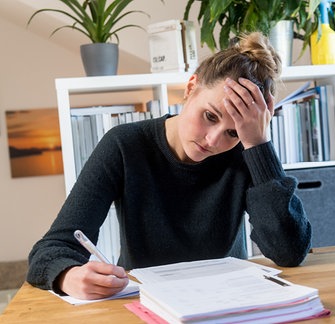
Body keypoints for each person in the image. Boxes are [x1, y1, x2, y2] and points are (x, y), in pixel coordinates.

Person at [26, 32, 312, 300]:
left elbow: (289, 251)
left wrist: (258, 144)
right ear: (191, 88)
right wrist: (68, 275)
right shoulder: (125, 145)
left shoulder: (246, 151)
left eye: (233, 132)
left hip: (228, 301)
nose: (213, 140)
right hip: (145, 302)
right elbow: (51, 250)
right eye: (210, 116)